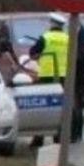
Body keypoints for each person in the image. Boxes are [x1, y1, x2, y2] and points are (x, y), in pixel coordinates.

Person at [29, 12, 70, 147]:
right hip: (63, 76)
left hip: (47, 76)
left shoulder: (45, 37)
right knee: (61, 108)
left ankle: (39, 138)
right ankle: (58, 137)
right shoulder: (68, 38)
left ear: (52, 24)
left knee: (44, 106)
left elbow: (33, 54)